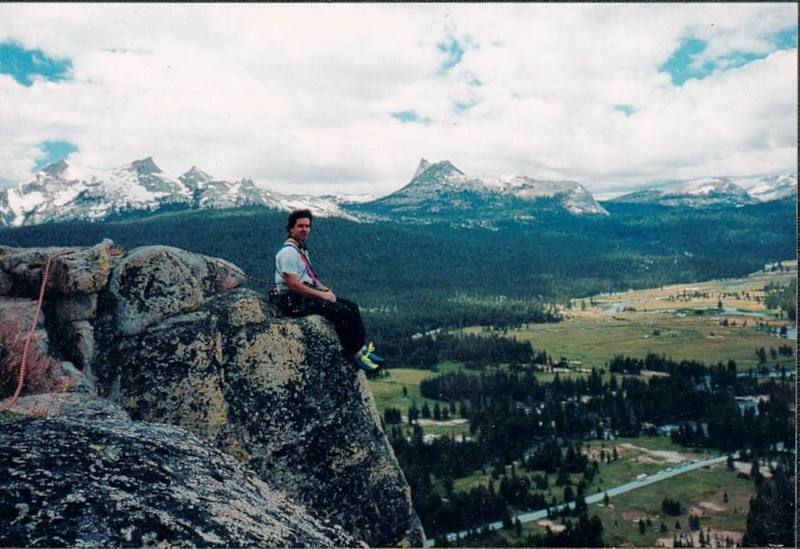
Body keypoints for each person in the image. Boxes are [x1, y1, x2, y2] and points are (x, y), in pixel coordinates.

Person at [274, 209, 384, 371]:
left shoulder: (300, 249)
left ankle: (361, 348)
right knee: (341, 312)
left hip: (305, 294)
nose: (304, 229)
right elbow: (294, 285)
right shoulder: (288, 253)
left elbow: (310, 277)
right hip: (294, 299)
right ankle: (355, 354)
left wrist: (326, 290)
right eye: (300, 226)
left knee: (351, 306)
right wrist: (322, 296)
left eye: (307, 226)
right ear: (291, 229)